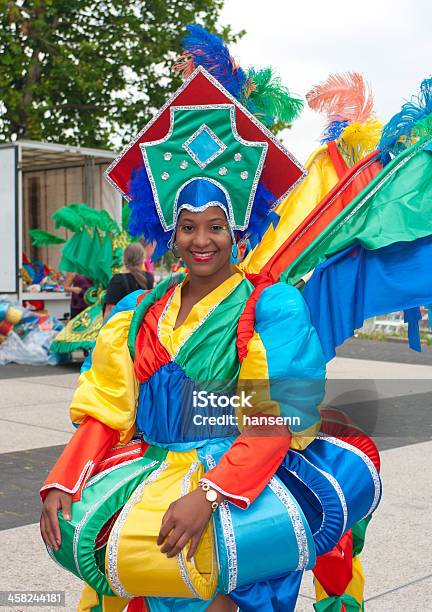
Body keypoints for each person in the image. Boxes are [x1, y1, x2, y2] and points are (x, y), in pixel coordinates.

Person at [39, 25, 381, 612]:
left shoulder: (269, 307)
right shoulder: (136, 312)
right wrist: (63, 480)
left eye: (215, 225)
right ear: (169, 233)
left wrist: (211, 496)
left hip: (242, 494)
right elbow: (106, 411)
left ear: (237, 231)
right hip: (146, 486)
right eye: (189, 226)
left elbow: (271, 420)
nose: (202, 240)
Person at [103, 243, 154, 318]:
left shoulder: (117, 280)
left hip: (121, 326)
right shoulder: (149, 278)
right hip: (140, 325)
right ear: (142, 259)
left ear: (124, 258)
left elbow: (110, 309)